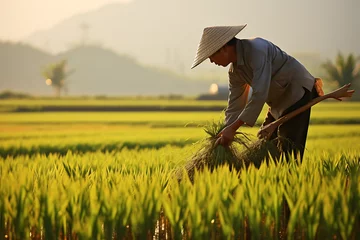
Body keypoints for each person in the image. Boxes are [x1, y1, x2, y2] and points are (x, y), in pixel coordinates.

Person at [191, 24, 320, 161]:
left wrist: (234, 128)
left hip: (296, 92)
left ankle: (291, 177)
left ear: (223, 48)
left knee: (288, 147)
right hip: (277, 101)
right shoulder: (235, 72)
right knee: (266, 142)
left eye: (211, 56)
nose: (211, 61)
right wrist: (226, 130)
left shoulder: (256, 50)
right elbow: (235, 104)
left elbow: (259, 93)